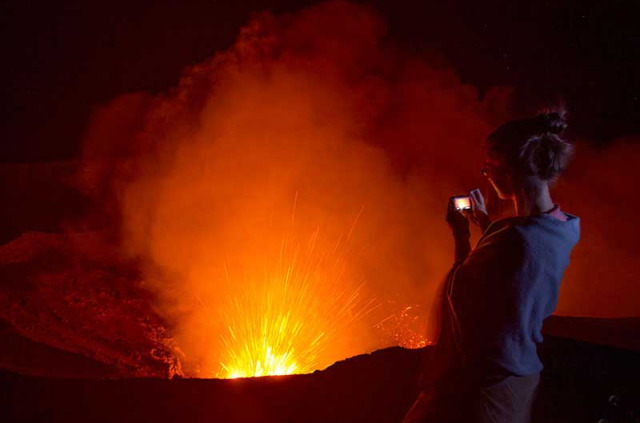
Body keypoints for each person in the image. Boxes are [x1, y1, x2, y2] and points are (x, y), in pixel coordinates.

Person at [403, 110, 581, 423]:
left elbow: (461, 290)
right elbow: (513, 269)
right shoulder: (562, 226)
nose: (486, 175)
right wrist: (485, 224)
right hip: (521, 377)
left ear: (507, 168)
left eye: (488, 168)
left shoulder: (515, 240)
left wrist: (460, 234)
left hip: (484, 390)